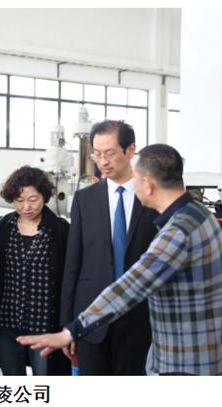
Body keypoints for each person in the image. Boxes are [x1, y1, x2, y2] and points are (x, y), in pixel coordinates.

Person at [18, 144, 222, 376]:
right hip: (209, 356)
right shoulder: (201, 215)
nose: (132, 185)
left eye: (134, 179)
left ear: (148, 185)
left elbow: (130, 287)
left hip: (183, 364)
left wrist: (71, 331)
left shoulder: (177, 232)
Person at [60, 120, 158, 375]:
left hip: (138, 318)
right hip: (90, 316)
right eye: (97, 154)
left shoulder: (151, 198)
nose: (102, 161)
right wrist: (68, 325)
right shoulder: (84, 199)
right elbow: (72, 264)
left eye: (110, 153)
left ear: (130, 150)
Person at [0, 166, 70, 376]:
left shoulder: (60, 230)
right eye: (19, 200)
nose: (26, 207)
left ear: (44, 197)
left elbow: (69, 279)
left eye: (33, 200)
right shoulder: (5, 226)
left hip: (45, 325)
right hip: (7, 320)